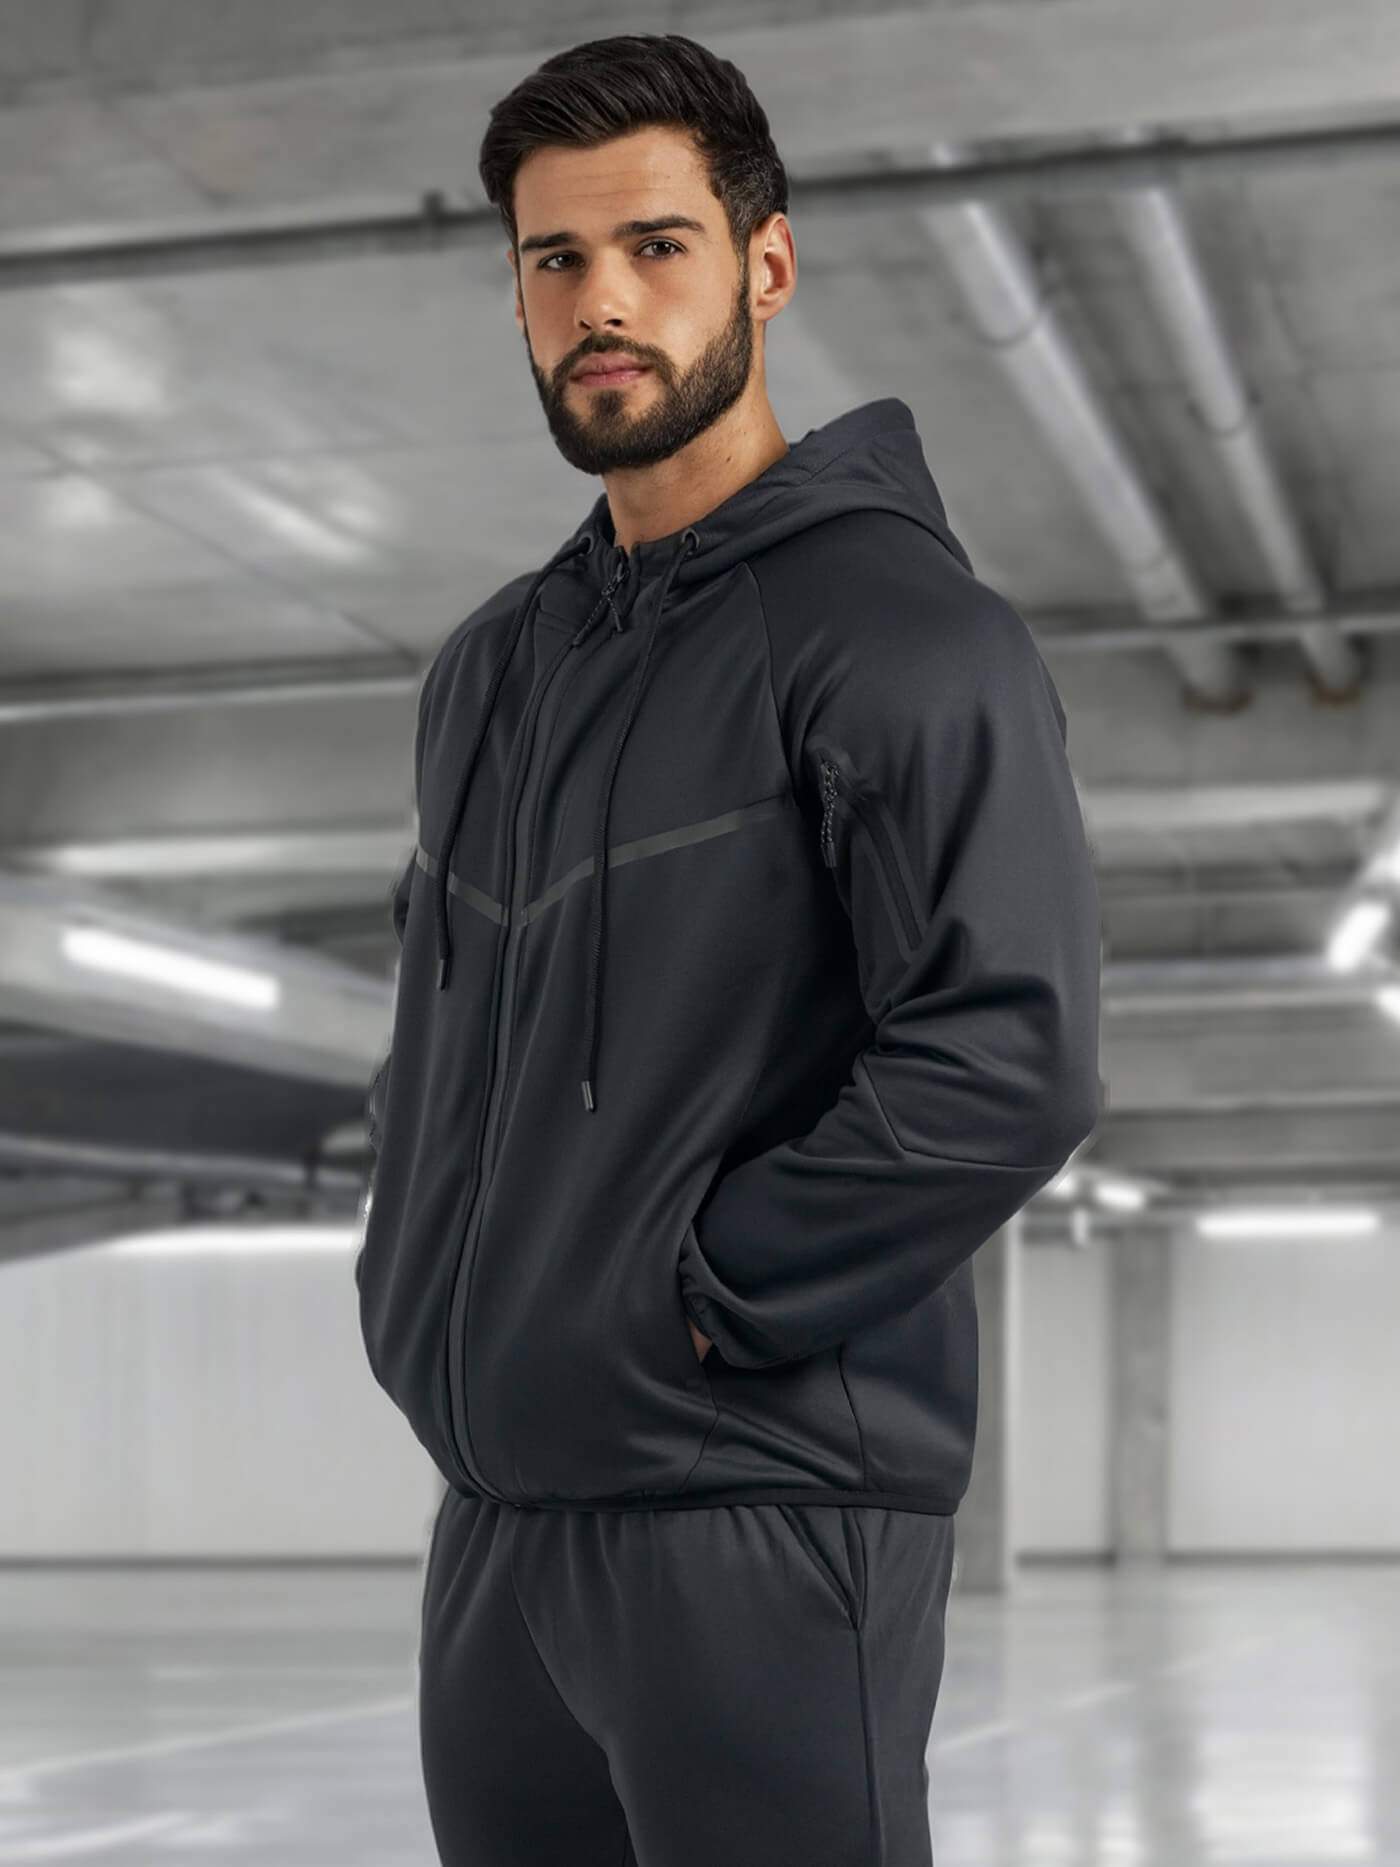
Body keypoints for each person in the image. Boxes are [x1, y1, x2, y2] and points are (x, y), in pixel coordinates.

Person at [355, 31, 1103, 1866]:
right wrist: (416, 1280)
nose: (602, 301)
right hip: (498, 1512)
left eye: (655, 246)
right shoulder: (491, 673)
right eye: (555, 259)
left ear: (766, 266)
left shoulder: (903, 633)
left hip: (759, 1504)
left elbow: (1008, 1057)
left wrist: (701, 1296)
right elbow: (442, 1045)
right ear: (517, 294)